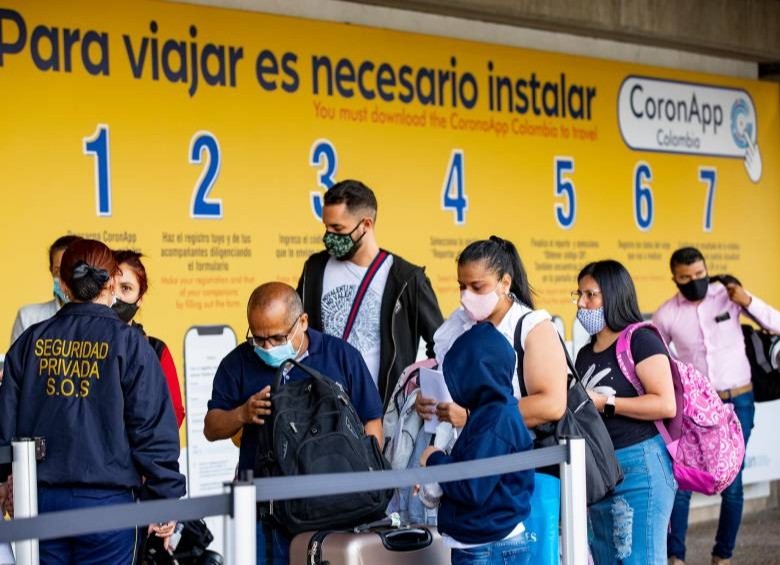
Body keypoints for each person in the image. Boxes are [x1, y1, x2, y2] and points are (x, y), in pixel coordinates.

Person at [0, 239, 185, 564]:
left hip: (39, 503)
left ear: (63, 283)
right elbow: (153, 429)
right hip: (109, 507)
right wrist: (164, 496)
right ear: (112, 282)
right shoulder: (131, 344)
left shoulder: (31, 341)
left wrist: (3, 479)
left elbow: (5, 420)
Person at [203, 282, 383, 565]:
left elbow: (372, 422)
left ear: (302, 322)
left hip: (338, 510)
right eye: (257, 339)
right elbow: (211, 427)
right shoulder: (237, 363)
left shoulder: (341, 357)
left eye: (276, 338)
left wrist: (366, 485)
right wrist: (242, 413)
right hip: (267, 514)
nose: (266, 347)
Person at [417, 236, 567, 564]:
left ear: (504, 282)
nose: (466, 296)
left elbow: (552, 404)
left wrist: (472, 415)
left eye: (477, 286)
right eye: (461, 286)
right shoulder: (459, 325)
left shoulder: (531, 326)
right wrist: (428, 400)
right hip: (465, 465)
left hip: (522, 475)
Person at [653, 247, 780, 565]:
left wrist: (747, 301)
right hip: (695, 409)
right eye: (686, 278)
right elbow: (655, 357)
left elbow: (776, 324)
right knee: (682, 480)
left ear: (706, 270)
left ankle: (722, 555)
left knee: (732, 482)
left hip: (739, 402)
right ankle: (675, 556)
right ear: (675, 279)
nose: (694, 281)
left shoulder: (728, 296)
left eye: (699, 274)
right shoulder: (667, 313)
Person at [297, 179, 443, 407]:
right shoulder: (314, 269)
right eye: (326, 227)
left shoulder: (406, 278)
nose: (329, 236)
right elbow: (297, 331)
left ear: (366, 224)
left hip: (384, 415)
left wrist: (419, 391)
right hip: (323, 412)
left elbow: (441, 343)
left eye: (338, 229)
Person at [574, 260, 677, 564]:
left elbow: (664, 403)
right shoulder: (583, 354)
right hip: (600, 471)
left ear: (614, 295)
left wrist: (607, 402)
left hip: (640, 467)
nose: (582, 304)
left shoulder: (641, 340)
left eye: (590, 295)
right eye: (578, 295)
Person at [420, 322, 535, 564]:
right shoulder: (494, 413)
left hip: (485, 546)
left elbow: (472, 485)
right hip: (490, 538)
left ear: (475, 376)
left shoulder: (495, 421)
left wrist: (434, 459)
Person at [114, 249, 185, 428]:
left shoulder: (155, 349)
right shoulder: (84, 343)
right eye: (110, 287)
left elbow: (175, 412)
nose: (117, 297)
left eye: (126, 288)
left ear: (140, 299)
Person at [9, 234, 82, 344]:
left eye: (71, 270)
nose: (64, 279)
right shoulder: (28, 317)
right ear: (51, 271)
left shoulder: (104, 319)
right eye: (58, 271)